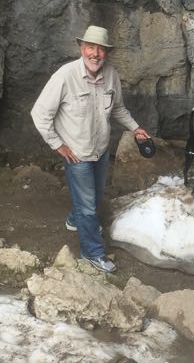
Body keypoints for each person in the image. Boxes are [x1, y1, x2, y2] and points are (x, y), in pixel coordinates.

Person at [31, 25, 149, 273]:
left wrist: (136, 128)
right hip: (78, 155)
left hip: (101, 150)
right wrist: (58, 145)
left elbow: (117, 108)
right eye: (90, 47)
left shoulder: (111, 74)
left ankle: (75, 220)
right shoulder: (64, 76)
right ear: (81, 48)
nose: (95, 54)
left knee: (93, 198)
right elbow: (40, 114)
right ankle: (92, 252)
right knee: (87, 205)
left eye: (101, 49)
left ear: (106, 52)